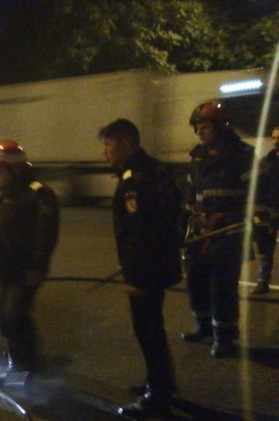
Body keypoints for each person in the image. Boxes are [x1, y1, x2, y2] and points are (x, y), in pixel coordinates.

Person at [99, 119, 181, 419]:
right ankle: (161, 383)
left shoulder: (136, 178)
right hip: (158, 263)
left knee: (147, 330)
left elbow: (139, 231)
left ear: (125, 143)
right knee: (152, 327)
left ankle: (157, 398)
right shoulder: (156, 169)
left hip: (146, 270)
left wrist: (134, 275)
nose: (105, 152)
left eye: (108, 144)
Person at [0, 140, 59, 378]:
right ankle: (24, 360)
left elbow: (46, 233)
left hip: (25, 270)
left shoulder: (38, 193)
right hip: (5, 268)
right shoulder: (2, 194)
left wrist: (38, 266)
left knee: (13, 317)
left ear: (14, 169)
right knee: (7, 319)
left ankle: (23, 369)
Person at [181, 101, 253, 358]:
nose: (199, 133)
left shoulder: (242, 156)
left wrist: (259, 218)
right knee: (196, 280)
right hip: (200, 231)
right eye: (197, 128)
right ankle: (203, 326)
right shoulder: (198, 157)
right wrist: (186, 219)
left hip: (228, 231)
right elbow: (191, 190)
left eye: (204, 127)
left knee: (222, 287)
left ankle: (224, 337)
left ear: (221, 127)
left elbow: (258, 192)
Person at [252, 126, 279, 295]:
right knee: (264, 248)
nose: (276, 141)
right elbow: (258, 188)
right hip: (270, 211)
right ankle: (263, 282)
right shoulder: (266, 162)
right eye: (274, 137)